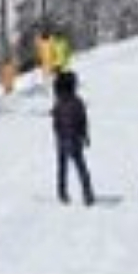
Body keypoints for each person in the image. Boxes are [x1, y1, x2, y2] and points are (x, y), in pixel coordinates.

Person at [51, 71, 96, 206]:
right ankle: (87, 194)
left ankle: (62, 192)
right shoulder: (77, 102)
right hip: (74, 138)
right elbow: (83, 121)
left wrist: (58, 135)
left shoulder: (58, 103)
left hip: (62, 139)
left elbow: (56, 122)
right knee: (81, 167)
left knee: (62, 167)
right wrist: (85, 136)